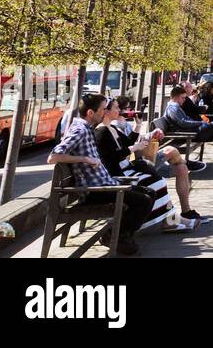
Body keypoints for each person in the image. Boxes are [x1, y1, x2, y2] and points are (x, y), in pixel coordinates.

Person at [48, 93, 155, 255]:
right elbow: (53, 157)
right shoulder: (80, 130)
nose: (105, 112)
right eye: (102, 109)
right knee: (143, 201)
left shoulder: (86, 128)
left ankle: (119, 235)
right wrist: (84, 158)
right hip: (95, 192)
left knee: (149, 193)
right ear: (91, 113)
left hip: (106, 185)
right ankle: (117, 236)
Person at [94, 98, 190, 232]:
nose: (119, 110)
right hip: (119, 174)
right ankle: (167, 221)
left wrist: (138, 126)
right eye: (116, 108)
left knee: (158, 180)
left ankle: (169, 221)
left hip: (126, 168)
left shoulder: (111, 128)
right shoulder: (101, 131)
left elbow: (128, 142)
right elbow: (113, 156)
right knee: (157, 182)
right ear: (106, 112)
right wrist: (134, 148)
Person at [164, 85, 213, 169]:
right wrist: (200, 123)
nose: (184, 100)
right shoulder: (173, 108)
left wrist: (199, 123)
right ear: (175, 97)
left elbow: (185, 121)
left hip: (193, 132)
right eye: (182, 98)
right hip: (192, 134)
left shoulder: (175, 107)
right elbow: (183, 123)